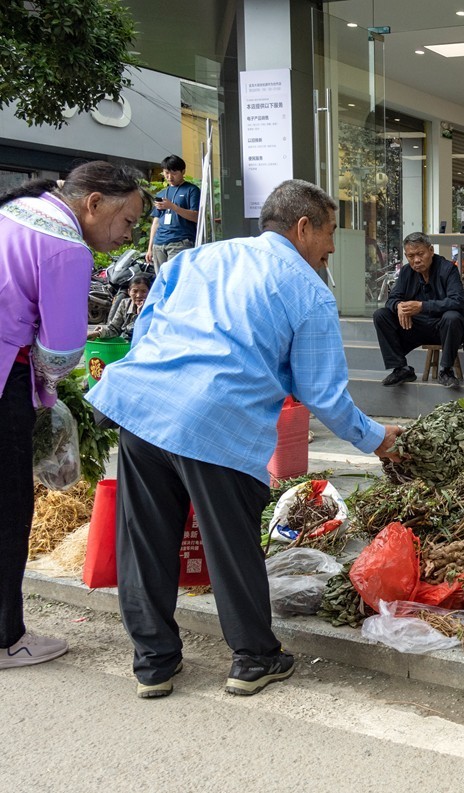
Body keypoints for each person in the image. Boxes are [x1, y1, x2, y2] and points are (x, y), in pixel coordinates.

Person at [87, 179, 402, 699]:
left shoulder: (196, 259)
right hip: (217, 422)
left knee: (145, 542)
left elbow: (146, 331)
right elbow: (322, 393)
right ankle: (254, 658)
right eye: (330, 233)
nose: (330, 247)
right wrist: (377, 440)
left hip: (143, 409)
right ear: (304, 227)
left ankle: (154, 665)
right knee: (231, 546)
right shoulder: (308, 290)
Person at [0, 162, 146, 669]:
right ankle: (5, 638)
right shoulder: (66, 244)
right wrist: (49, 391)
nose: (129, 233)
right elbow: (62, 349)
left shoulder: (18, 210)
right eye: (127, 220)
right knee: (8, 508)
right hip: (4, 376)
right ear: (94, 203)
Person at [373, 231, 464, 389]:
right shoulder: (407, 271)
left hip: (443, 327)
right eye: (410, 256)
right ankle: (401, 369)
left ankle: (447, 371)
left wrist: (422, 306)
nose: (416, 260)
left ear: (431, 250)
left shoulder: (448, 269)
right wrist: (399, 306)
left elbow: (457, 301)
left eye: (420, 254)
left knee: (452, 317)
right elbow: (392, 299)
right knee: (381, 315)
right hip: (417, 327)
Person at [144, 155, 201, 267]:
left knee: (176, 278)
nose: (170, 177)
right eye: (166, 173)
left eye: (174, 173)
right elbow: (156, 222)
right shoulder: (162, 193)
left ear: (183, 171)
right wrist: (150, 247)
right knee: (161, 280)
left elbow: (196, 217)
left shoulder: (191, 190)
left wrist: (172, 207)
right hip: (159, 244)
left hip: (180, 242)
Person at [88, 273, 152, 342]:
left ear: (150, 292)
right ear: (129, 292)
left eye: (144, 291)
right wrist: (98, 333)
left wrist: (141, 315)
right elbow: (114, 329)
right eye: (135, 291)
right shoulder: (124, 304)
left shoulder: (154, 307)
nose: (139, 295)